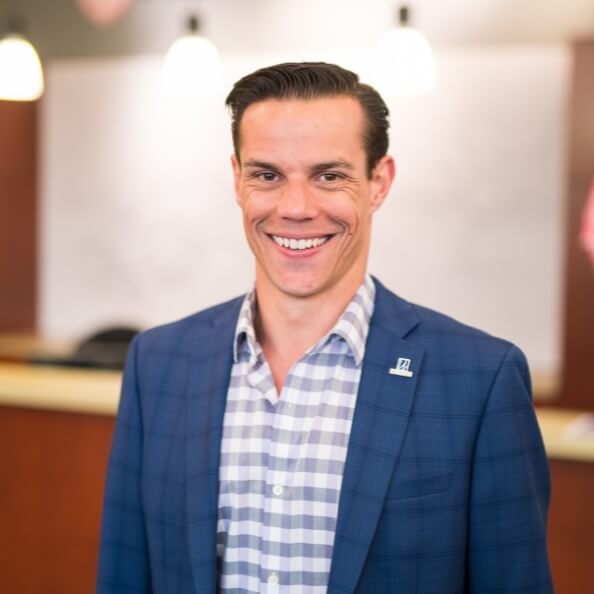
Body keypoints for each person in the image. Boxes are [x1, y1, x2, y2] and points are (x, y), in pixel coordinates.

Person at [97, 62, 554, 594]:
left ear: (378, 182)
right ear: (237, 180)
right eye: (267, 175)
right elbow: (124, 576)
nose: (295, 207)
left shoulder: (480, 381)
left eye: (329, 176)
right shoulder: (158, 364)